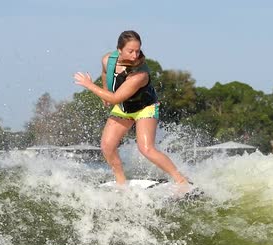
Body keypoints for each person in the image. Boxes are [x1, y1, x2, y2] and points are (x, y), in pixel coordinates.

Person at [74, 30, 188, 186]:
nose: (135, 56)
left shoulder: (139, 74)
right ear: (119, 49)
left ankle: (181, 181)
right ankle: (121, 181)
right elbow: (105, 73)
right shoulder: (108, 60)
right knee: (107, 146)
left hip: (145, 107)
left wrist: (90, 86)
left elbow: (115, 98)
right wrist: (105, 91)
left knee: (146, 148)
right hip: (124, 108)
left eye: (138, 51)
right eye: (131, 51)